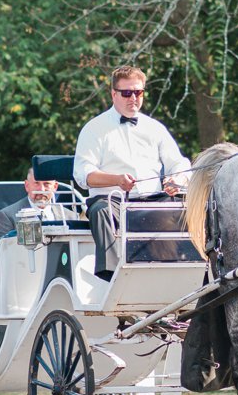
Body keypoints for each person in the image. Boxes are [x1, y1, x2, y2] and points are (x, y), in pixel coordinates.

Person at [73, 65, 191, 280]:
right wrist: (116, 180)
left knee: (186, 208)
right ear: (113, 94)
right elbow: (83, 175)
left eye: (138, 92)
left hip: (152, 200)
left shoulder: (154, 128)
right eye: (127, 93)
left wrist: (177, 179)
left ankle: (187, 271)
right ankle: (112, 274)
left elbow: (179, 162)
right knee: (100, 211)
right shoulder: (94, 128)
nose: (133, 98)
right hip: (112, 201)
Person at [0, 169, 63, 238]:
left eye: (46, 184)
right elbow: (2, 247)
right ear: (27, 186)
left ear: (55, 187)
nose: (41, 190)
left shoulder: (70, 216)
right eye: (36, 183)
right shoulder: (8, 216)